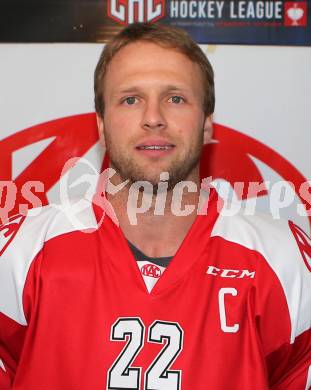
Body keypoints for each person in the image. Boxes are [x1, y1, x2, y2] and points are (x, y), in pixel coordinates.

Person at [0, 22, 310, 390]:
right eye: (130, 99)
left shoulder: (282, 259)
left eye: (175, 98)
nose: (153, 117)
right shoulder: (22, 252)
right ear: (101, 125)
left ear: (207, 123)